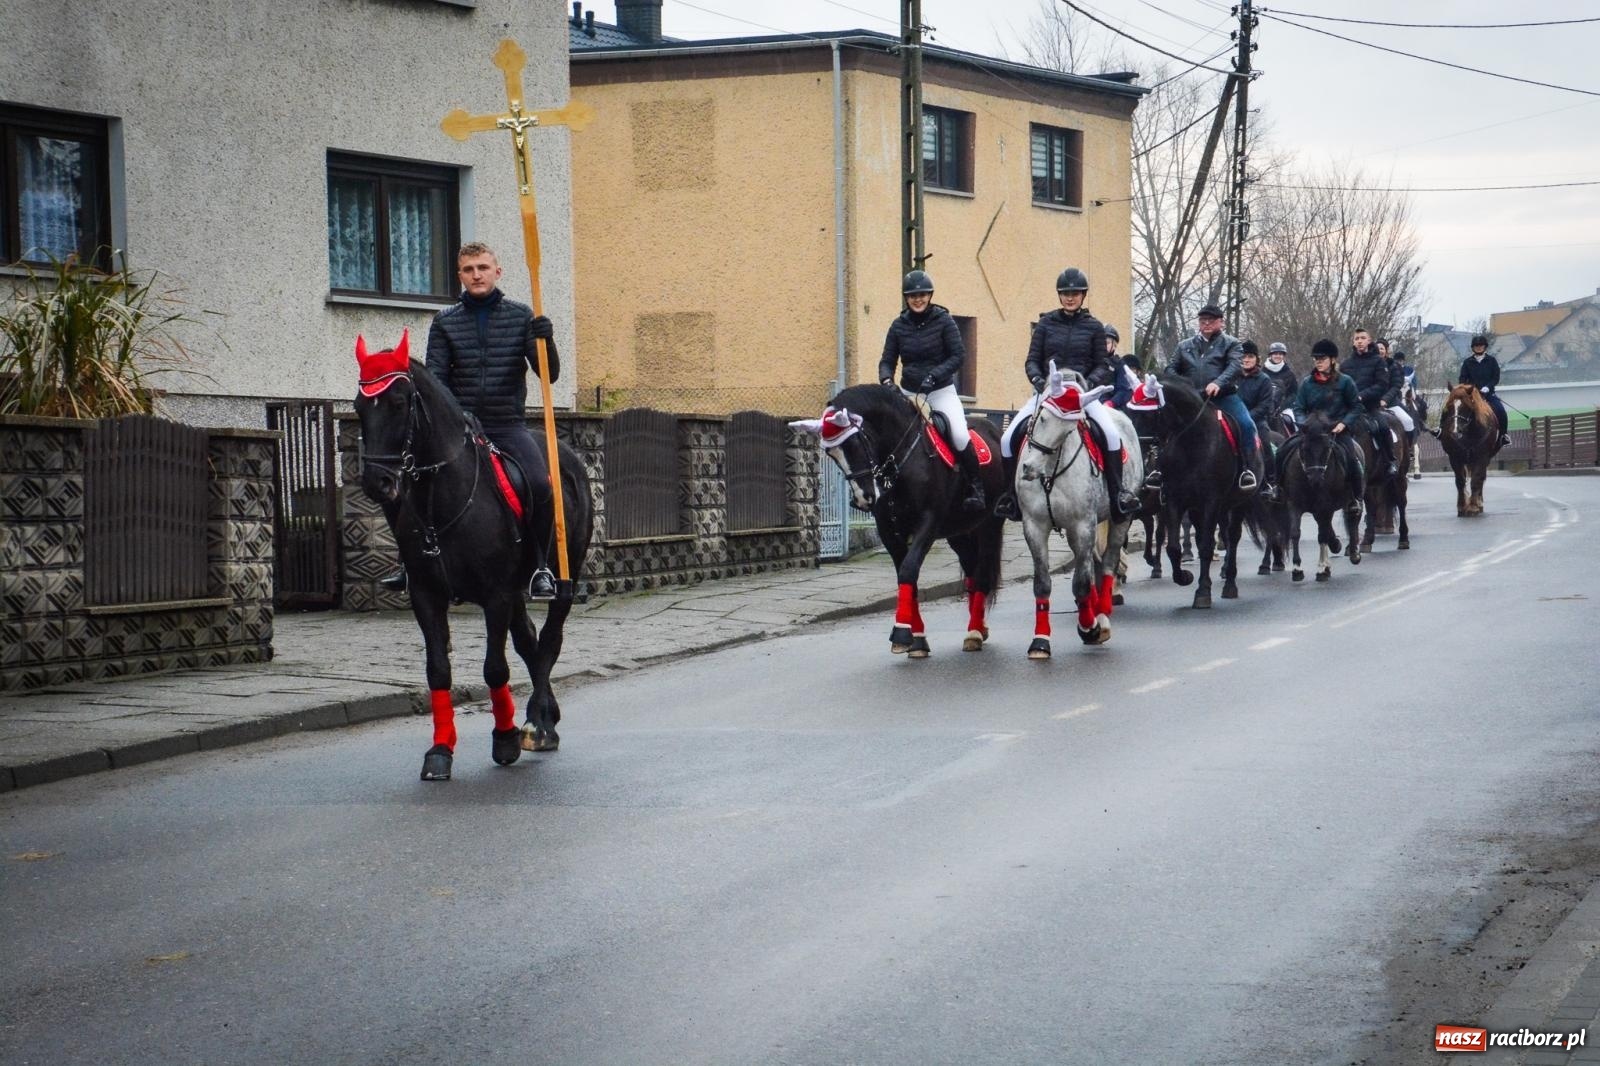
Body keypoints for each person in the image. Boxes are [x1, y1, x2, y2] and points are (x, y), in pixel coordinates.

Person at [379, 242, 561, 600]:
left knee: (539, 484)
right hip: (458, 428)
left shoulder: (522, 316)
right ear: (460, 275)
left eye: (482, 267)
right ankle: (407, 562)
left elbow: (548, 374)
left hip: (507, 423)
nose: (476, 275)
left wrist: (546, 339)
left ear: (497, 271)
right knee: (402, 484)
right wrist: (457, 415)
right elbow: (435, 378)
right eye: (468, 269)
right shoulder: (445, 322)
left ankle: (541, 567)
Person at [994, 268, 1139, 520]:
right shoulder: (1046, 324)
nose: (1069, 298)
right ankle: (1010, 496)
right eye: (1065, 293)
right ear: (1059, 295)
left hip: (1081, 396)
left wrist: (1087, 385)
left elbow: (1102, 364)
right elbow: (1031, 361)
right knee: (1008, 439)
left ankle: (1118, 494)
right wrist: (1039, 381)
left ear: (1083, 295)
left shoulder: (1094, 326)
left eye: (1074, 293)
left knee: (1112, 435)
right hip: (1048, 393)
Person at [878, 269, 985, 512]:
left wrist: (934, 375)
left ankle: (975, 487)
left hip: (940, 393)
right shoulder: (898, 326)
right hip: (908, 394)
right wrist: (887, 380)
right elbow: (887, 360)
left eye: (923, 295)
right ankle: (878, 490)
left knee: (958, 435)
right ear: (906, 298)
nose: (918, 299)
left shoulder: (944, 321)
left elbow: (958, 355)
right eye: (913, 295)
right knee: (887, 437)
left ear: (930, 296)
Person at [1151, 303, 1265, 495]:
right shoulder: (1184, 346)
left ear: (1221, 322)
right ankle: (1157, 469)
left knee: (1246, 424)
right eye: (1203, 320)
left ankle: (1246, 469)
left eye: (1211, 320)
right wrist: (1184, 386)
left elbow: (1235, 367)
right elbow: (1170, 369)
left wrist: (1218, 383)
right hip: (1191, 401)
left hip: (1223, 397)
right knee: (1162, 423)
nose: (1206, 323)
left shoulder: (1232, 343)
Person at [1287, 339, 1366, 501]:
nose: (1318, 362)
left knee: (1352, 459)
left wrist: (1343, 423)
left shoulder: (1345, 382)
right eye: (1316, 359)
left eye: (1322, 359)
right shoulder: (1306, 383)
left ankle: (1355, 498)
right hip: (1311, 431)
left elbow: (1356, 407)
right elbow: (1298, 407)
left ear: (1332, 360)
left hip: (1336, 430)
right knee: (1283, 452)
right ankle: (1277, 489)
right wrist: (1303, 424)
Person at [1342, 327, 1399, 479]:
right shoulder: (1346, 364)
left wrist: (1361, 396)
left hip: (1370, 407)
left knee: (1383, 427)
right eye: (1356, 339)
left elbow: (1382, 385)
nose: (1359, 341)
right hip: (1350, 409)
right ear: (1353, 342)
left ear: (1368, 340)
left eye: (1362, 338)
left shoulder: (1378, 362)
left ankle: (1390, 461)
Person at [1459, 334, 1511, 447]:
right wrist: (1470, 389)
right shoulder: (1467, 362)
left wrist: (1488, 387)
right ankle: (1442, 431)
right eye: (1476, 346)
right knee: (1453, 408)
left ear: (1485, 347)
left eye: (1480, 346)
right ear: (1473, 347)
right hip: (1472, 396)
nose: (1478, 347)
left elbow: (1495, 378)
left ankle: (1503, 435)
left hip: (1488, 394)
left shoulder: (1491, 361)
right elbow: (1462, 379)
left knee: (1501, 411)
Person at [1263, 341, 1299, 422]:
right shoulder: (1262, 372)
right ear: (1270, 355)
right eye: (1275, 354)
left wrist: (1282, 406)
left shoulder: (1289, 374)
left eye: (1280, 354)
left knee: (1292, 420)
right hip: (1265, 406)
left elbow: (1294, 394)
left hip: (1283, 409)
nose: (1278, 356)